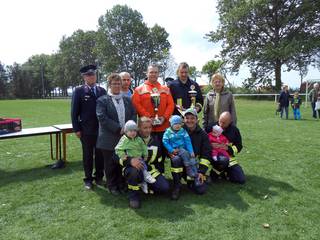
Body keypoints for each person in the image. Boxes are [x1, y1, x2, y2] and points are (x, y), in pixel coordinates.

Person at [96, 73, 136, 195]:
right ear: (109, 84)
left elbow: (134, 114)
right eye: (114, 83)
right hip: (109, 138)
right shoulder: (102, 100)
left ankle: (121, 183)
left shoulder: (127, 100)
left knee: (122, 162)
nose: (117, 85)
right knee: (110, 164)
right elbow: (102, 117)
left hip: (125, 138)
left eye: (119, 83)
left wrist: (130, 128)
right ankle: (112, 185)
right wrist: (118, 128)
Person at [132, 64, 175, 173]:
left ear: (158, 74)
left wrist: (164, 118)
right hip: (146, 130)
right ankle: (146, 177)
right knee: (147, 155)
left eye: (155, 72)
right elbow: (136, 105)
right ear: (147, 73)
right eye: (151, 72)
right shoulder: (139, 89)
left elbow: (171, 105)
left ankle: (161, 177)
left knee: (162, 155)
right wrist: (149, 118)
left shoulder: (165, 89)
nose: (153, 74)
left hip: (163, 128)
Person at [120, 117, 170, 208]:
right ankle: (134, 196)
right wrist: (130, 161)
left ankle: (146, 185)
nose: (148, 130)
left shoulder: (156, 141)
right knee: (134, 172)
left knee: (164, 187)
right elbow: (116, 155)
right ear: (138, 128)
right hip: (133, 168)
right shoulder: (129, 139)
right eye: (145, 128)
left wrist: (161, 174)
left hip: (150, 171)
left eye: (149, 127)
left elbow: (159, 160)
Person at [71, 64, 106, 190]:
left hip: (101, 129)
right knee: (87, 155)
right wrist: (77, 129)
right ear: (84, 77)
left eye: (93, 74)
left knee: (100, 154)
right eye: (88, 75)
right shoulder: (79, 91)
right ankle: (88, 179)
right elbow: (74, 112)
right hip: (86, 130)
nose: (91, 77)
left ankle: (99, 177)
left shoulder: (102, 91)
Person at [169, 108, 210, 200]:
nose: (189, 120)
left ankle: (196, 179)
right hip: (180, 163)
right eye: (187, 118)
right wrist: (170, 151)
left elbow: (206, 155)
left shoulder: (203, 135)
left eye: (192, 118)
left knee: (200, 190)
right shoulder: (177, 130)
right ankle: (177, 186)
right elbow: (167, 140)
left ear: (197, 120)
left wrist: (201, 171)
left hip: (193, 165)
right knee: (176, 159)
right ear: (183, 120)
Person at [203, 111, 245, 184]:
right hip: (213, 155)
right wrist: (210, 145)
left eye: (224, 123)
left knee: (240, 179)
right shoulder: (211, 127)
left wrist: (228, 149)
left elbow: (239, 146)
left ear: (230, 122)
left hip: (229, 157)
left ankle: (224, 173)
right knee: (223, 161)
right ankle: (214, 174)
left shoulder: (234, 130)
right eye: (220, 121)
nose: (221, 125)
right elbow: (202, 140)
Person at [115, 120, 156, 194]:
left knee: (143, 166)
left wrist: (145, 154)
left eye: (134, 131)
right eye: (130, 131)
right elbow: (118, 149)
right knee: (140, 169)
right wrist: (122, 155)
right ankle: (146, 177)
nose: (133, 133)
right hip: (131, 160)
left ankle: (143, 183)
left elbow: (143, 147)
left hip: (140, 158)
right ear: (126, 131)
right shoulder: (124, 140)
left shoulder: (138, 139)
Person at [162, 115, 201, 187]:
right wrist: (171, 150)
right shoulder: (168, 132)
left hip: (184, 150)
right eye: (175, 124)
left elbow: (188, 141)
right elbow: (165, 142)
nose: (177, 126)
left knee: (193, 159)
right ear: (171, 124)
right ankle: (188, 168)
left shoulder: (183, 131)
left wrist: (191, 151)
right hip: (175, 150)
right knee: (184, 153)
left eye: (179, 124)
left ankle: (196, 177)